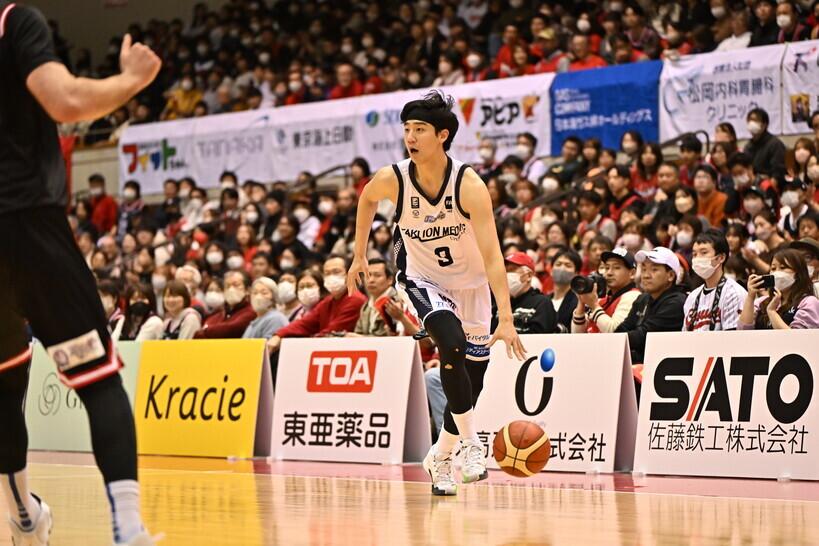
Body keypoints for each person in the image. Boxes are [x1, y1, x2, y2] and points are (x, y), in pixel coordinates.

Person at [0, 6, 160, 543]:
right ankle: (129, 529)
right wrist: (132, 79)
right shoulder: (13, 21)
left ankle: (24, 518)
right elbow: (64, 100)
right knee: (98, 381)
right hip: (28, 225)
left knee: (3, 388)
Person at [346, 91, 526, 496]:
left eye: (420, 130)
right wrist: (359, 253)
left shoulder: (469, 184)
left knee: (473, 379)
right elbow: (366, 199)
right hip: (422, 279)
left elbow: (493, 256)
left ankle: (440, 456)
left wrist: (506, 317)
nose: (410, 137)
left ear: (442, 135)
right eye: (407, 129)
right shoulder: (394, 178)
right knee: (451, 342)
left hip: (473, 285)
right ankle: (471, 444)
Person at [267, 255, 366, 351]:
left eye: (336, 272)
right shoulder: (328, 301)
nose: (331, 276)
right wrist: (278, 335)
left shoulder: (355, 299)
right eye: (327, 273)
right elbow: (304, 323)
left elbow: (333, 332)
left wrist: (301, 342)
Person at [619, 248, 686, 364]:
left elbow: (643, 336)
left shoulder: (676, 303)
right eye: (644, 269)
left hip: (663, 367)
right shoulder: (642, 299)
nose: (645, 275)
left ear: (670, 275)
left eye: (654, 269)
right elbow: (623, 329)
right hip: (639, 364)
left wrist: (613, 341)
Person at [683, 230, 748, 331]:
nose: (697, 258)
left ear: (720, 258)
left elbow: (733, 337)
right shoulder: (692, 297)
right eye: (694, 254)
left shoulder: (733, 293)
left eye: (703, 253)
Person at [739, 249, 819, 329]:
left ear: (798, 273)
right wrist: (751, 297)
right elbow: (743, 330)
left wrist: (772, 312)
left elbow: (796, 336)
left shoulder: (808, 302)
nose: (776, 273)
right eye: (773, 269)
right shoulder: (762, 302)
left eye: (783, 268)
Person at [572, 247, 641, 333]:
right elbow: (576, 334)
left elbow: (615, 331)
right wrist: (581, 302)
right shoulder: (602, 300)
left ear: (632, 273)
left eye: (616, 267)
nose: (609, 273)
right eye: (607, 268)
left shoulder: (633, 296)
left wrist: (594, 305)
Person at [494, 252, 557, 334]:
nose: (506, 275)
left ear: (529, 275)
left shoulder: (542, 303)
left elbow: (540, 338)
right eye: (505, 271)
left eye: (512, 270)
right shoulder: (499, 303)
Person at [194, 270, 256, 339]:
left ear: (247, 290)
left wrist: (206, 330)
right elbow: (197, 336)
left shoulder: (251, 312)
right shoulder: (215, 316)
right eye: (227, 286)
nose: (231, 289)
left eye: (236, 285)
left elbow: (234, 329)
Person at [743, 108, 786, 181]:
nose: (751, 123)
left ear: (764, 125)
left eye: (755, 120)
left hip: (770, 182)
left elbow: (778, 171)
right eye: (749, 120)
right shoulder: (748, 146)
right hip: (752, 182)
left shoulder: (775, 144)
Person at [546, 249, 581, 333]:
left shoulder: (578, 302)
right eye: (558, 264)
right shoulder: (543, 300)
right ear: (551, 270)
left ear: (576, 273)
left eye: (568, 265)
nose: (562, 268)